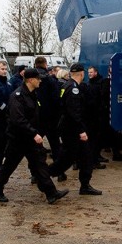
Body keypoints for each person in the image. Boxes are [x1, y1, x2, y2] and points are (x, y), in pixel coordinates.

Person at [0, 68, 69, 204]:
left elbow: (35, 116)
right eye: (38, 79)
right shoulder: (18, 96)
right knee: (9, 165)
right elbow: (18, 119)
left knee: (39, 164)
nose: (40, 81)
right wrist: (34, 133)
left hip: (30, 139)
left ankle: (51, 193)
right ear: (31, 80)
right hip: (18, 139)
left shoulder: (33, 94)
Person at [48, 63, 102, 196]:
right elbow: (73, 112)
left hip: (71, 127)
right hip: (71, 129)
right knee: (67, 158)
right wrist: (81, 131)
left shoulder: (69, 85)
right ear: (82, 73)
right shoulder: (73, 88)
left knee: (86, 157)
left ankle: (85, 185)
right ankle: (44, 174)